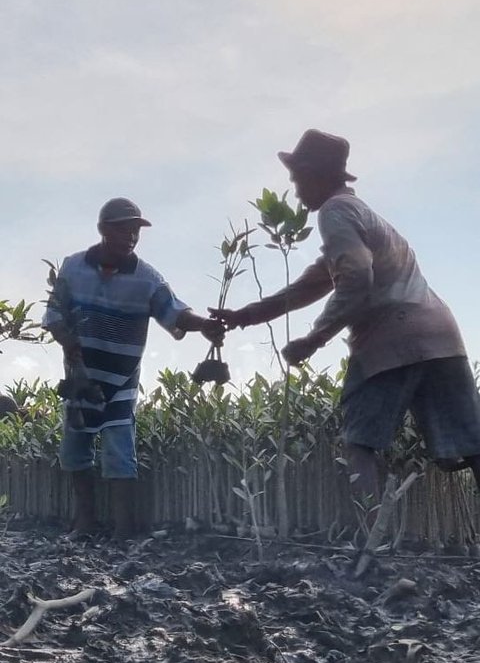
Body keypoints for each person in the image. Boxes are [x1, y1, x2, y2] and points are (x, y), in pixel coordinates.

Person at [210, 129, 480, 499]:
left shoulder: (336, 211)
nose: (295, 187)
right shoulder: (360, 217)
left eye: (297, 178)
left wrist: (313, 339)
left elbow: (354, 278)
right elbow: (310, 284)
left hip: (392, 339)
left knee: (359, 442)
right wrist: (247, 315)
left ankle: (367, 547)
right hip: (441, 338)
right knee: (474, 442)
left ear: (316, 176)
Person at [43, 197, 224, 539]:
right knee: (75, 449)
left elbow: (174, 311)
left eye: (135, 230)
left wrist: (205, 325)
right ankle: (85, 523)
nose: (131, 236)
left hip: (122, 379)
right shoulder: (72, 268)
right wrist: (68, 341)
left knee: (119, 451)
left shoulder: (147, 279)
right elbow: (54, 314)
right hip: (81, 375)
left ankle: (123, 530)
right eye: (123, 228)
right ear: (103, 230)